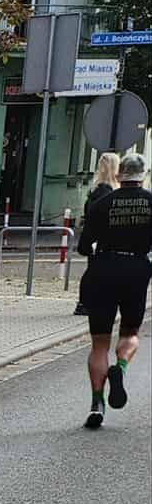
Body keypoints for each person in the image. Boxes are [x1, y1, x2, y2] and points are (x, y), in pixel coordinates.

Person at [77, 150, 152, 430]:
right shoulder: (151, 202)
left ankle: (97, 403)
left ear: (120, 175)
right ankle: (119, 368)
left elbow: (84, 246)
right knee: (130, 334)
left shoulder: (102, 203)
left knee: (99, 344)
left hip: (103, 271)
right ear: (143, 176)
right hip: (136, 271)